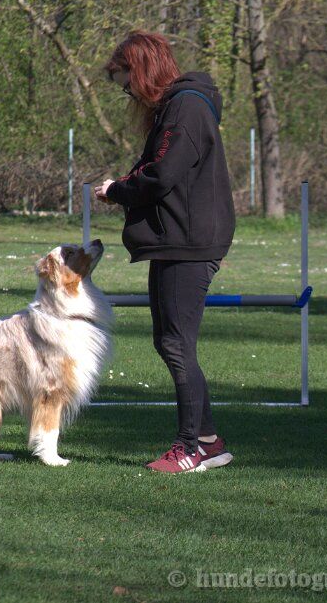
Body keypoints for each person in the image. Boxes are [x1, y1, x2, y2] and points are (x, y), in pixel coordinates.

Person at [94, 30, 236, 473]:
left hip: (188, 242)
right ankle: (209, 441)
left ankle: (190, 447)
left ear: (142, 72)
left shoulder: (186, 107)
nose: (130, 95)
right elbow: (158, 168)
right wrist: (122, 186)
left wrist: (117, 190)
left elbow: (162, 175)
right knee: (170, 341)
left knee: (176, 343)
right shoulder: (180, 106)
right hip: (179, 238)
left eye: (128, 85)